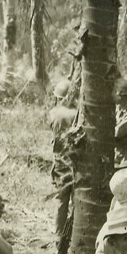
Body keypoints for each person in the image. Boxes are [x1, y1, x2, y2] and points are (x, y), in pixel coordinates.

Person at [49, 93, 81, 237]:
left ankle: (58, 233)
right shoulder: (76, 114)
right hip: (74, 161)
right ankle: (73, 233)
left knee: (61, 202)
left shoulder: (54, 113)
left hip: (60, 162)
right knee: (76, 201)